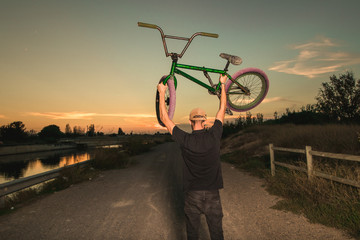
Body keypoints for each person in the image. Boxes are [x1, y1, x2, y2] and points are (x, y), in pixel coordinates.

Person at [157, 74, 227, 240]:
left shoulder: (185, 139)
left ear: (190, 122)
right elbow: (222, 108)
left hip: (192, 195)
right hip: (212, 194)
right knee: (217, 234)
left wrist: (161, 93)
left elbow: (165, 119)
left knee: (192, 234)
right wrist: (222, 85)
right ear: (205, 120)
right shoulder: (214, 135)